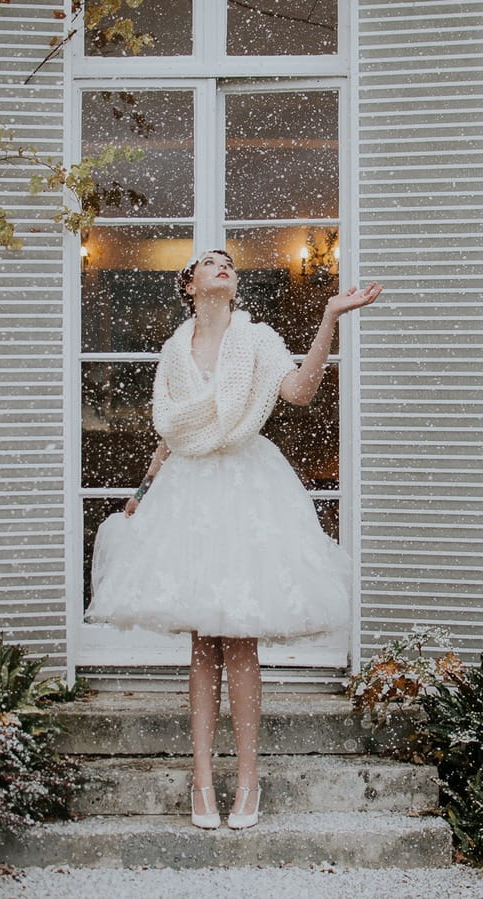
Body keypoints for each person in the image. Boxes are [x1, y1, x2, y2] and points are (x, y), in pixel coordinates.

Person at [86, 249, 383, 830]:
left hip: (248, 485)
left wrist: (328, 318)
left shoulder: (260, 338)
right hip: (189, 491)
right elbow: (170, 432)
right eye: (208, 262)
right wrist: (143, 492)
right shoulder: (174, 350)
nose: (221, 265)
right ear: (189, 285)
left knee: (241, 639)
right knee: (202, 646)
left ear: (232, 284)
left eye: (228, 262)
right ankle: (201, 781)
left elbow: (298, 391)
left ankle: (247, 781)